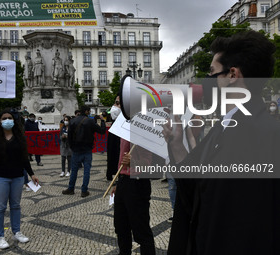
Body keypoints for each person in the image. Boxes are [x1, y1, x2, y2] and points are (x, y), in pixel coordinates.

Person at [163, 31, 280, 255]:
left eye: (212, 73)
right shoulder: (221, 128)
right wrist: (177, 144)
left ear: (233, 75)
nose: (207, 81)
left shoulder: (269, 135)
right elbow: (196, 189)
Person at [0, 109, 39, 249]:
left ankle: (16, 231)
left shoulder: (19, 137)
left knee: (15, 206)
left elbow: (24, 157)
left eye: (9, 118)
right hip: (0, 177)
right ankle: (0, 236)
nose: (7, 120)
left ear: (14, 120)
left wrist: (31, 174)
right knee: (0, 207)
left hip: (17, 177)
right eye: (4, 118)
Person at [111, 139, 155, 254]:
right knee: (121, 228)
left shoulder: (142, 133)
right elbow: (121, 158)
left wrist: (134, 162)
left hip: (137, 183)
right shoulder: (125, 130)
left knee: (141, 231)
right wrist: (118, 182)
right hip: (123, 181)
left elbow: (149, 162)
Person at [62, 105, 106, 197]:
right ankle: (84, 190)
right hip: (87, 149)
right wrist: (102, 120)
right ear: (86, 111)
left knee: (74, 170)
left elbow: (69, 137)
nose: (89, 113)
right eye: (89, 111)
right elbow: (102, 131)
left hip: (76, 149)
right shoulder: (90, 121)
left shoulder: (73, 121)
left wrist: (72, 147)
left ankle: (71, 188)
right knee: (86, 171)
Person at [107, 96, 121, 180]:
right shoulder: (114, 108)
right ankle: (111, 172)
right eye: (116, 102)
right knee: (113, 152)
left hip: (119, 131)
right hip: (115, 132)